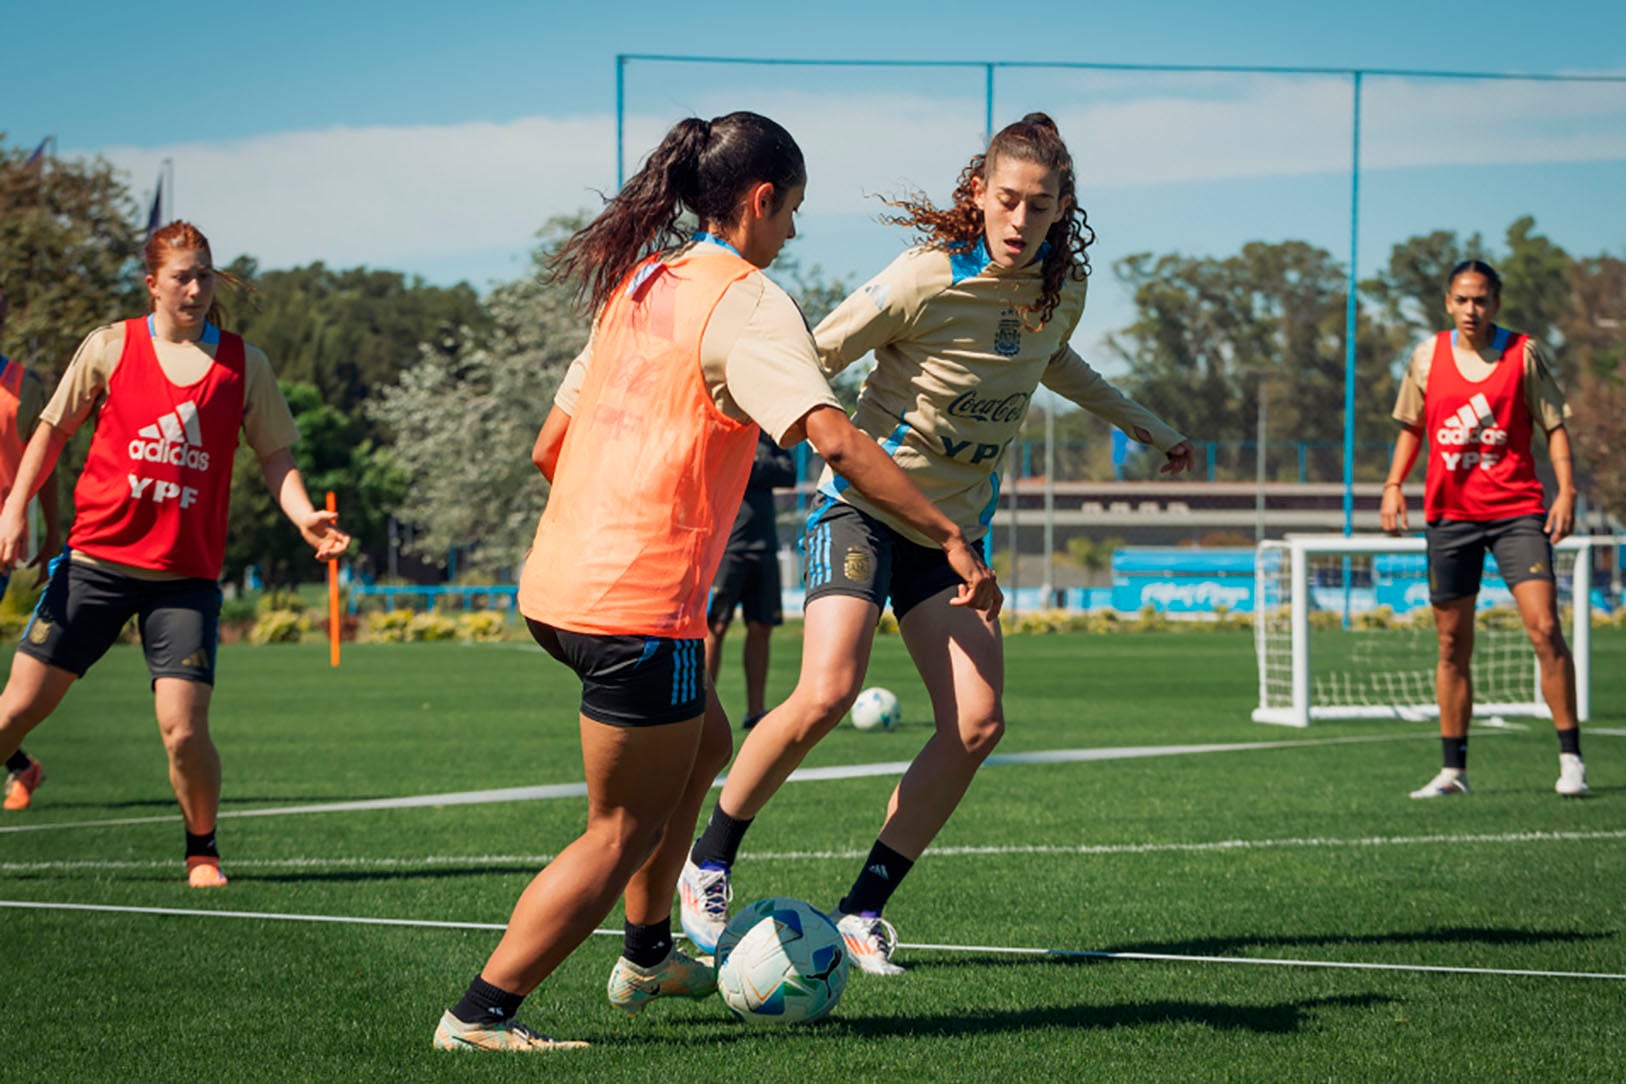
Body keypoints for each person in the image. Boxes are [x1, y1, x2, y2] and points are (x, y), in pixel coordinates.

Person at [431, 111, 997, 1054]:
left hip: (560, 586)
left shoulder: (644, 281)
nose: (791, 234)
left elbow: (549, 446)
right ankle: (482, 1013)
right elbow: (837, 441)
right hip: (636, 609)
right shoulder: (750, 299)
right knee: (617, 829)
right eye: (793, 212)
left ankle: (650, 956)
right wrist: (950, 533)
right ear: (763, 200)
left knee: (708, 741)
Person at [679, 112, 1194, 976]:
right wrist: (725, 410)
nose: (1021, 220)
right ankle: (710, 860)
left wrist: (1144, 425)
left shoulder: (1059, 292)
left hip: (954, 535)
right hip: (862, 510)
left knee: (978, 723)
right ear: (977, 196)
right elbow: (817, 352)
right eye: (1006, 201)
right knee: (827, 690)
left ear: (1063, 207)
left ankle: (862, 910)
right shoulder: (923, 277)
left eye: (1040, 205)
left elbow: (1053, 359)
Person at [0, 221, 350, 880]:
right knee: (15, 712)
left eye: (205, 274)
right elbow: (50, 432)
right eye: (182, 276)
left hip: (183, 581)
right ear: (151, 283)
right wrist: (13, 508)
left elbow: (276, 457)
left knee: (184, 731)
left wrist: (304, 515)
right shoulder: (111, 346)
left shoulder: (245, 363)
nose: (196, 287)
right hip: (94, 567)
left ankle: (202, 849)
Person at [1380, 259, 1587, 799]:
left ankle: (1571, 760)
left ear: (1496, 304)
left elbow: (1555, 426)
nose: (1472, 309)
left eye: (1482, 300)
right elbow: (1411, 427)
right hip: (1451, 517)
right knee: (1452, 644)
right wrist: (1392, 485)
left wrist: (1566, 491)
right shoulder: (1426, 356)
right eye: (1463, 300)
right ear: (1448, 302)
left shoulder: (1524, 353)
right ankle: (1454, 771)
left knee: (1544, 628)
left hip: (1518, 513)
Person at [0, 284, 62, 811]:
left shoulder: (25, 386)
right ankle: (21, 763)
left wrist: (55, 532)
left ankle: (21, 763)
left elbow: (47, 468)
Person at [705, 430, 797, 730]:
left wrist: (749, 464)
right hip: (727, 547)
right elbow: (718, 467)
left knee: (762, 627)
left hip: (765, 548)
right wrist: (758, 466)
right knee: (714, 626)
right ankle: (703, 710)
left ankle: (755, 711)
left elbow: (788, 474)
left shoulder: (767, 436)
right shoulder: (722, 432)